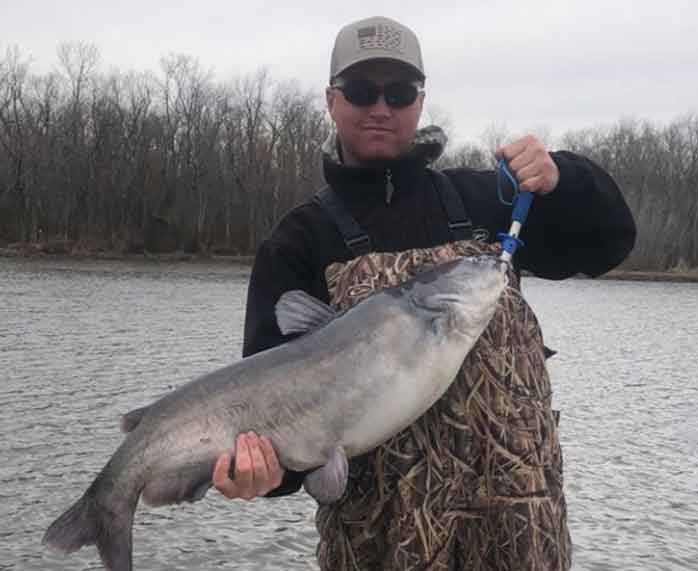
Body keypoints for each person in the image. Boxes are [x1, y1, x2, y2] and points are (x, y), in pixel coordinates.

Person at [211, 15, 636, 570]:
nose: (381, 107)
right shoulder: (298, 242)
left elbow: (608, 244)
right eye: (362, 91)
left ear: (420, 101)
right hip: (380, 552)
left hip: (524, 543)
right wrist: (261, 476)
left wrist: (565, 177)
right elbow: (278, 421)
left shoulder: (487, 203)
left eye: (400, 92)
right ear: (331, 100)